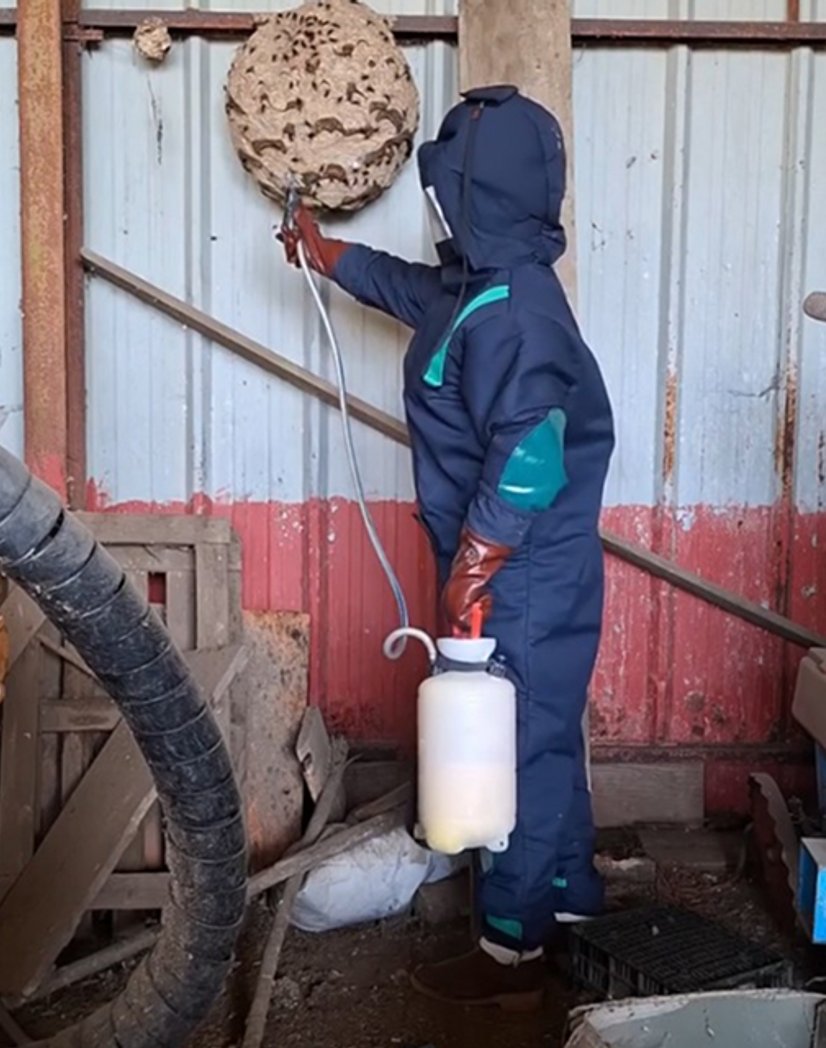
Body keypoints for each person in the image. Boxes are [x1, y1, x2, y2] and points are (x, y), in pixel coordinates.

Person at [280, 85, 615, 1011]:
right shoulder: (481, 285)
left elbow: (529, 457)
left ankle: (510, 954)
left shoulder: (518, 316)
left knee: (514, 747)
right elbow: (412, 292)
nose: (430, 204)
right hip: (511, 560)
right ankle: (573, 904)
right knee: (541, 737)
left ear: (474, 192)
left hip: (521, 567)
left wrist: (472, 574)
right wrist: (328, 252)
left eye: (441, 186)